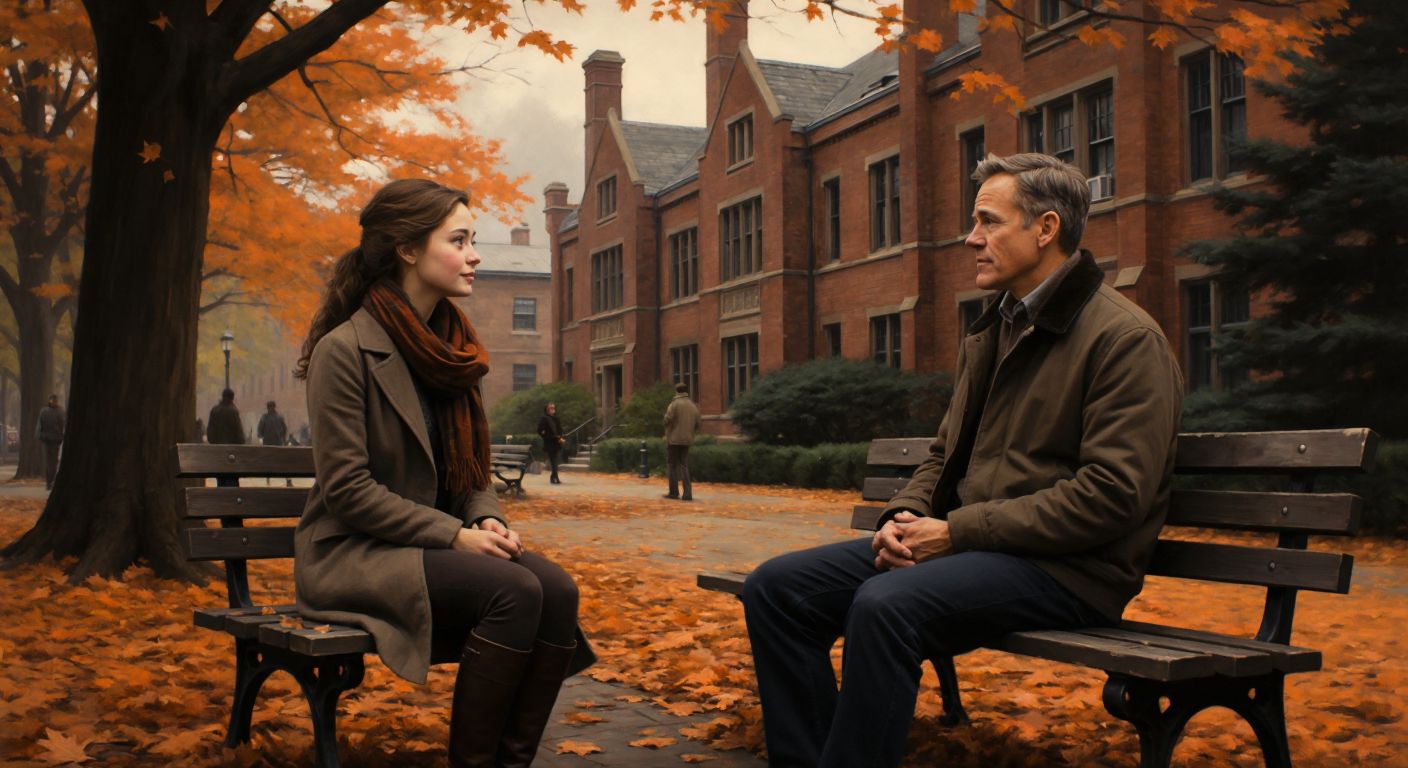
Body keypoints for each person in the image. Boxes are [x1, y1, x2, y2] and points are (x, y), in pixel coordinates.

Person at [739, 153, 1184, 768]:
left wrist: (956, 532)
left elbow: (1111, 496)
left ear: (1046, 229)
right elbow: (945, 452)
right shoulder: (994, 329)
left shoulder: (1124, 340)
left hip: (1072, 571)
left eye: (988, 222)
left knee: (885, 604)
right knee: (777, 589)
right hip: (980, 549)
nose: (970, 238)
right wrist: (903, 516)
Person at [292, 178, 592, 768]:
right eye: (459, 240)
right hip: (352, 552)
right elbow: (349, 492)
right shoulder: (345, 350)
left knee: (556, 589)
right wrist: (454, 534)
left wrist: (485, 517)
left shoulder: (453, 349)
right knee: (515, 589)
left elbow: (469, 473)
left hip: (426, 544)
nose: (475, 254)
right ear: (407, 249)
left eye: (473, 240)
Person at [662, 383, 700, 501]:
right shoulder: (693, 405)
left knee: (672, 466)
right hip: (687, 439)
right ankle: (687, 494)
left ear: (677, 391)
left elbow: (667, 420)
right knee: (684, 465)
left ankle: (673, 492)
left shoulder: (674, 404)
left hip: (674, 440)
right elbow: (698, 423)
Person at [35, 394, 65, 490]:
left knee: (51, 462)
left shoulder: (46, 411)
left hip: (51, 439)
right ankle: (50, 482)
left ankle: (50, 482)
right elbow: (62, 425)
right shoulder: (58, 411)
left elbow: (40, 425)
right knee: (51, 462)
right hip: (51, 439)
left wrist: (39, 435)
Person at [536, 403, 565, 484]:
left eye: (553, 408)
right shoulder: (544, 418)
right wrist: (545, 435)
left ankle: (553, 477)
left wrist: (561, 437)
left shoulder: (556, 418)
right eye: (551, 408)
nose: (553, 409)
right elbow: (539, 430)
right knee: (553, 460)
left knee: (555, 461)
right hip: (549, 442)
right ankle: (555, 478)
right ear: (547, 410)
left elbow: (560, 429)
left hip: (557, 442)